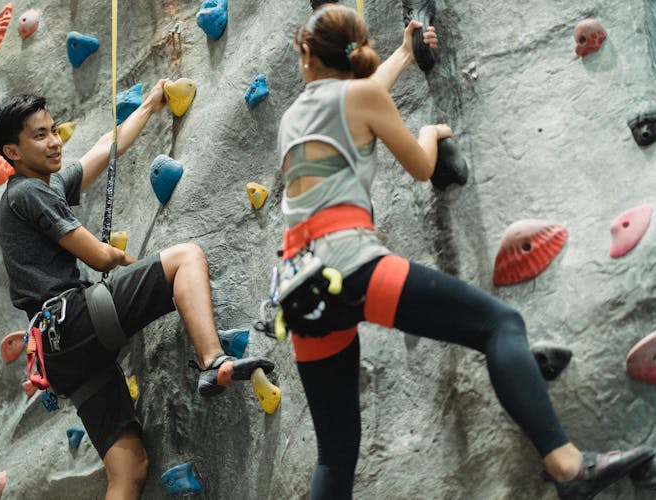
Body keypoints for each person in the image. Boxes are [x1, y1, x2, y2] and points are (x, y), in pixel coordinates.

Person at [276, 5, 654, 500]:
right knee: (499, 325)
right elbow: (418, 163)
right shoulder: (362, 96)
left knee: (335, 454)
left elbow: (359, 97)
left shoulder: (293, 118)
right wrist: (430, 133)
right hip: (350, 265)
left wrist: (404, 56)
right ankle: (567, 467)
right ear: (352, 53)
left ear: (307, 55)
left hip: (300, 288)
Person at [0, 82, 273, 500]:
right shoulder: (29, 192)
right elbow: (99, 257)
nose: (54, 142)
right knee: (185, 258)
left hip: (58, 357)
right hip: (73, 323)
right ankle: (213, 359)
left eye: (53, 130)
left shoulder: (38, 187)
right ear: (11, 152)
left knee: (129, 468)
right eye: (40, 135)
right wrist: (123, 261)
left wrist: (150, 106)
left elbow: (105, 148)